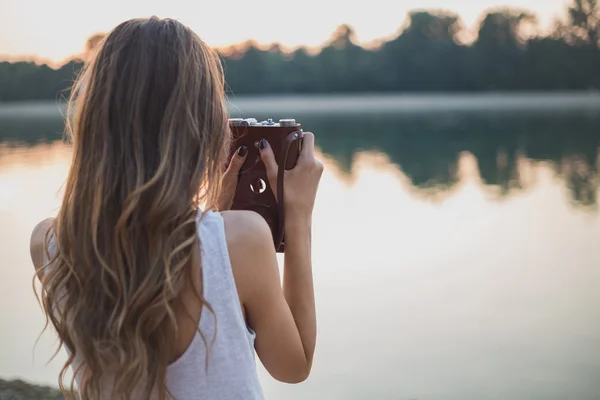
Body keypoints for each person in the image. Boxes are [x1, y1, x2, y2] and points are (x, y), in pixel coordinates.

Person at [29, 16, 323, 400]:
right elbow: (294, 365)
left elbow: (151, 254)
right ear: (200, 123)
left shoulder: (49, 242)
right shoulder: (243, 239)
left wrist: (214, 216)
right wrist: (298, 217)